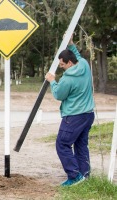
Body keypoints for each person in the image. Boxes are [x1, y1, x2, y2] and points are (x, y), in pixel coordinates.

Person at [45, 35, 95, 187]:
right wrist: (71, 44)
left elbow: (59, 94)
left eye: (62, 64)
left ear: (70, 63)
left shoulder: (67, 79)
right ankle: (84, 175)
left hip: (73, 117)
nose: (61, 67)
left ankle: (74, 176)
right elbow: (77, 55)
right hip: (88, 115)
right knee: (81, 145)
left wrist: (52, 81)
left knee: (62, 144)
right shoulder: (84, 65)